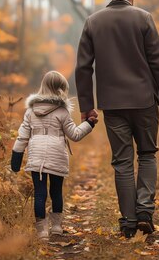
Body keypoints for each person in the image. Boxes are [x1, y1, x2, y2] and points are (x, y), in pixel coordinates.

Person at [75, 0, 159, 238]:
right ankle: (145, 211)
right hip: (144, 102)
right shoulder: (144, 18)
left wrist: (87, 106)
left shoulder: (93, 22)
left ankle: (128, 222)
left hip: (112, 105)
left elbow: (83, 68)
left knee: (122, 162)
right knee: (147, 154)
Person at [10, 71, 98, 240]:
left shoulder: (30, 112)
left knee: (40, 193)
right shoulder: (62, 112)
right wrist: (89, 123)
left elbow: (22, 136)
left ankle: (41, 231)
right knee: (56, 192)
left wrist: (16, 157)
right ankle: (56, 227)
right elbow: (75, 135)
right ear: (60, 89)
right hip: (57, 154)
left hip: (36, 155)